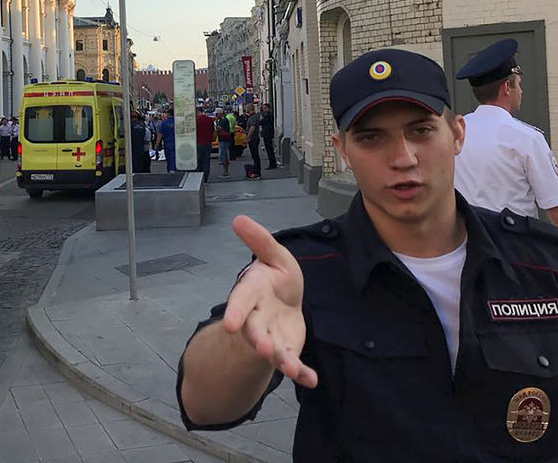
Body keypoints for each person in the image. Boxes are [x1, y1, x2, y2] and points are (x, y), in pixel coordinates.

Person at [177, 48, 558, 462]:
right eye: (371, 137)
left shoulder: (538, 262)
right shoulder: (301, 271)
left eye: (421, 130)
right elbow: (203, 406)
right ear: (343, 150)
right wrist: (247, 344)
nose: (403, 158)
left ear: (457, 134)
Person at [454, 39, 558, 225]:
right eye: (518, 84)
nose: (522, 91)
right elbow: (554, 207)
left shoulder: (454, 134)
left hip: (469, 242)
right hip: (515, 246)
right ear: (507, 88)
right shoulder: (527, 138)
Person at [195, 107, 215, 182]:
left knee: (198, 162)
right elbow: (213, 132)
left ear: (197, 112)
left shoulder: (196, 120)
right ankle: (205, 178)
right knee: (206, 161)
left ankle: (199, 179)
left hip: (198, 143)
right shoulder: (209, 119)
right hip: (207, 143)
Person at [155, 107, 176, 172]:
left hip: (167, 143)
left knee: (169, 158)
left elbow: (160, 134)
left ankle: (170, 169)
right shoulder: (177, 122)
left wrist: (157, 144)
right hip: (176, 143)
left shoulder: (164, 123)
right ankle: (173, 169)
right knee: (174, 157)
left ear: (168, 114)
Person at [259, 103, 278, 170]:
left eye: (264, 108)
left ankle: (272, 164)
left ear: (268, 108)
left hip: (268, 134)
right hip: (266, 133)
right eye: (263, 108)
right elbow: (261, 122)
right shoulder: (266, 115)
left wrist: (261, 119)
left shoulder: (269, 114)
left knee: (269, 149)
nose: (263, 110)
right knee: (268, 149)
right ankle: (272, 163)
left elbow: (262, 122)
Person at [245, 104, 261, 179]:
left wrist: (248, 137)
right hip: (253, 138)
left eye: (246, 108)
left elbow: (252, 127)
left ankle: (257, 172)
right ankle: (256, 171)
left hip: (253, 139)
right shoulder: (252, 117)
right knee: (255, 156)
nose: (245, 110)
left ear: (250, 108)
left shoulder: (253, 117)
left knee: (255, 156)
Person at [215, 109, 231, 178]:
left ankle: (226, 171)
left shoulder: (223, 120)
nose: (216, 116)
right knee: (224, 154)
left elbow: (219, 128)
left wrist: (216, 124)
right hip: (224, 139)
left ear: (220, 114)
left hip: (223, 139)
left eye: (217, 114)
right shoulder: (224, 120)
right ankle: (225, 171)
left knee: (223, 155)